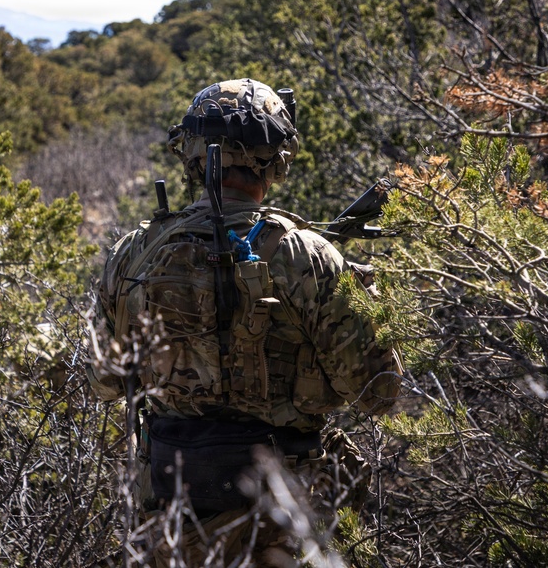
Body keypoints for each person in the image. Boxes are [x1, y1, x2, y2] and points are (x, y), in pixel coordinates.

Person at [89, 78, 402, 567]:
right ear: (277, 159)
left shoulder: (132, 251)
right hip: (282, 518)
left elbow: (105, 380)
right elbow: (380, 392)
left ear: (189, 155)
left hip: (170, 517)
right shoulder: (308, 255)